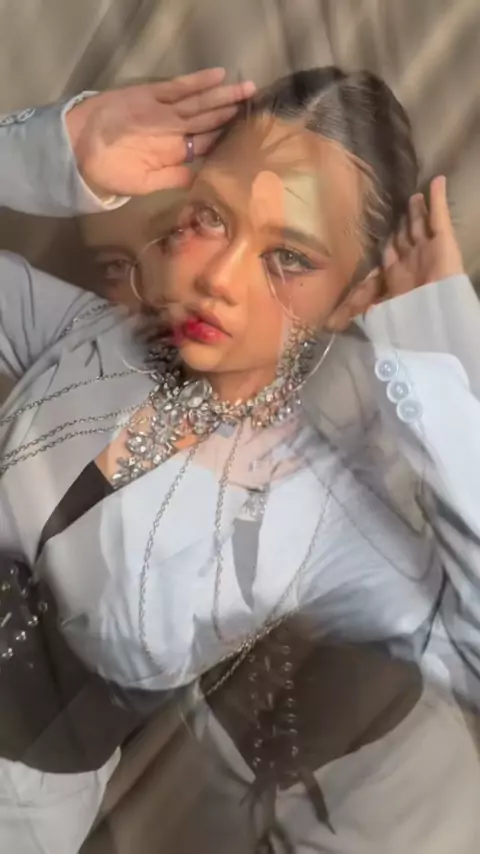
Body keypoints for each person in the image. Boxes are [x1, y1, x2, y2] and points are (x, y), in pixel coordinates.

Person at [0, 64, 479, 854]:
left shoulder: (319, 517)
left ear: (357, 295)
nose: (219, 278)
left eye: (289, 258)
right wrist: (60, 150)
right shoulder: (90, 335)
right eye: (213, 217)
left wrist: (444, 355)